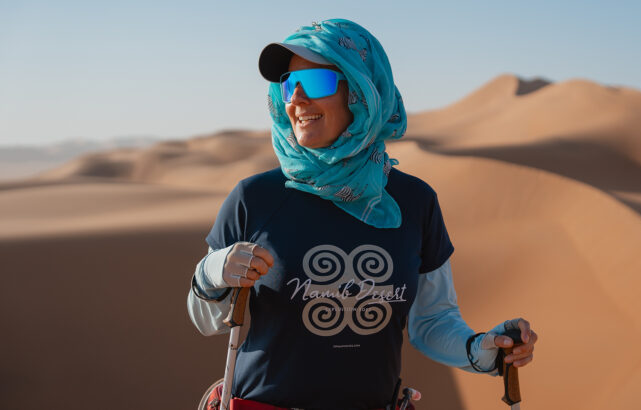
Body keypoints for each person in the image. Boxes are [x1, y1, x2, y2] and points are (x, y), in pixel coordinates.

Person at [188, 18, 537, 410]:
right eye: (289, 83)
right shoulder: (254, 198)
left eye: (316, 81)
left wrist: (482, 350)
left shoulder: (415, 202)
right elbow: (205, 319)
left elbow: (433, 321)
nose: (297, 98)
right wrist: (213, 272)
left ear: (360, 92)